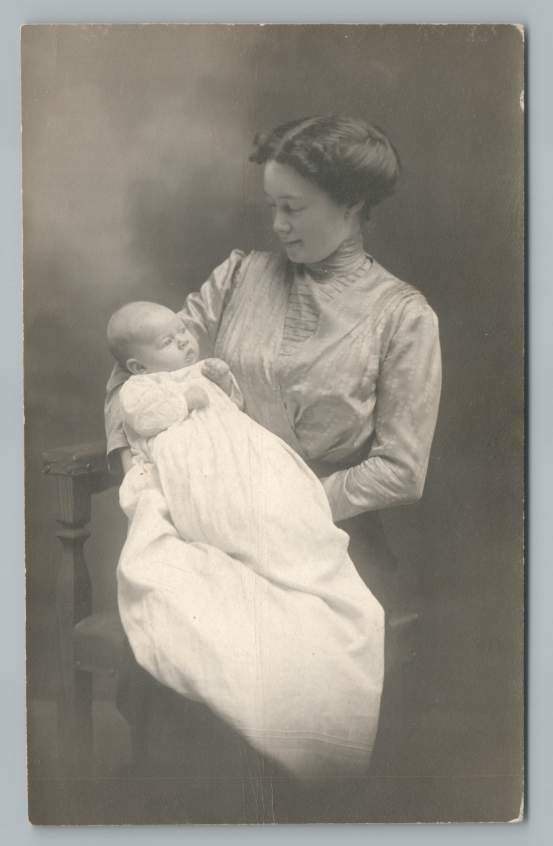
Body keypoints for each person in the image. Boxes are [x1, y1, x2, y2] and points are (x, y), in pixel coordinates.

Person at [104, 115, 441, 822]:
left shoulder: (400, 316)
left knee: (264, 665)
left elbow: (400, 471)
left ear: (350, 206)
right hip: (210, 524)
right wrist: (154, 470)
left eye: (294, 208)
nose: (277, 225)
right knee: (174, 638)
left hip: (327, 534)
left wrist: (284, 506)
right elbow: (140, 377)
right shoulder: (238, 276)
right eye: (271, 206)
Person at [107, 299, 385, 783]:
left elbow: (233, 409)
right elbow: (143, 420)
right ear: (137, 363)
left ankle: (282, 542)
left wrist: (214, 380)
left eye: (183, 331)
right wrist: (188, 396)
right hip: (191, 462)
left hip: (238, 453)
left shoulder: (193, 369)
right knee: (220, 506)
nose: (186, 341)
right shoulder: (138, 387)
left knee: (276, 494)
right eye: (169, 342)